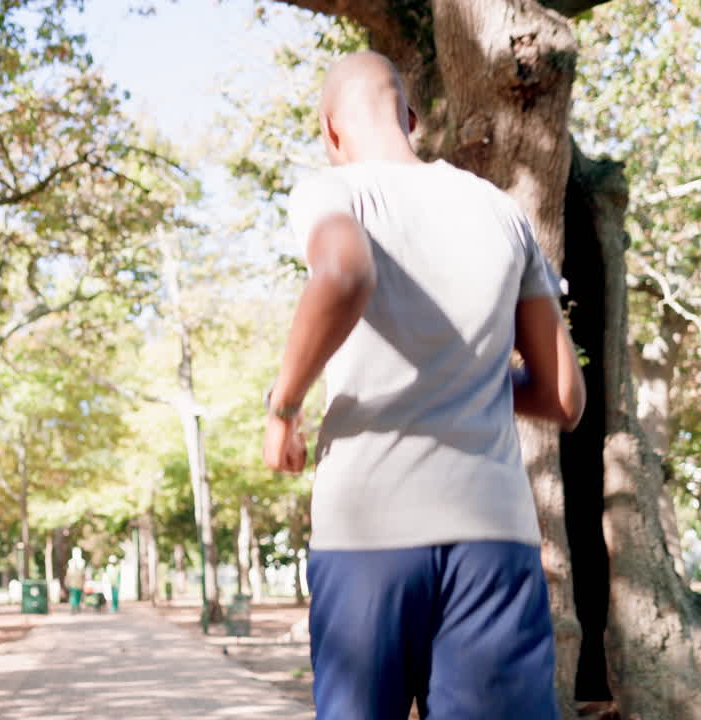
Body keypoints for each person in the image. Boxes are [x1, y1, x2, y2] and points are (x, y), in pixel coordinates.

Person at [262, 51, 585, 719]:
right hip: (493, 538)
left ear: (330, 130)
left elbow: (344, 274)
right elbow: (563, 397)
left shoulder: (334, 191)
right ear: (410, 119)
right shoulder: (501, 210)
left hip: (367, 532)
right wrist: (471, 377)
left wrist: (284, 407)